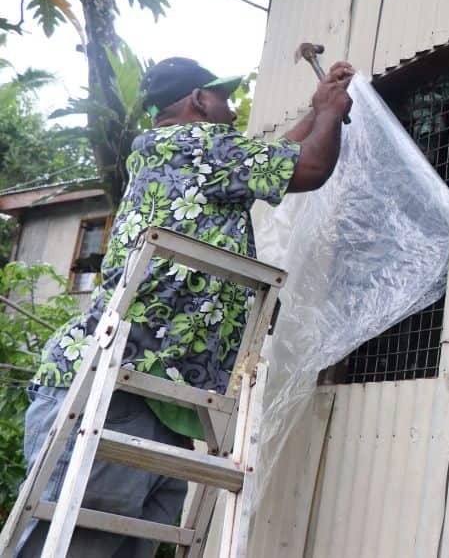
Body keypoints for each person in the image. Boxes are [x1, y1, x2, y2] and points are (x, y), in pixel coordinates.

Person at [17, 56, 355, 556]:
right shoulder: (200, 146)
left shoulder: (186, 154)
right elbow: (308, 167)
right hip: (115, 393)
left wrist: (317, 110)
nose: (233, 109)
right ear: (199, 99)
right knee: (78, 545)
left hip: (150, 393)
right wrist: (328, 112)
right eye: (223, 98)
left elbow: (268, 158)